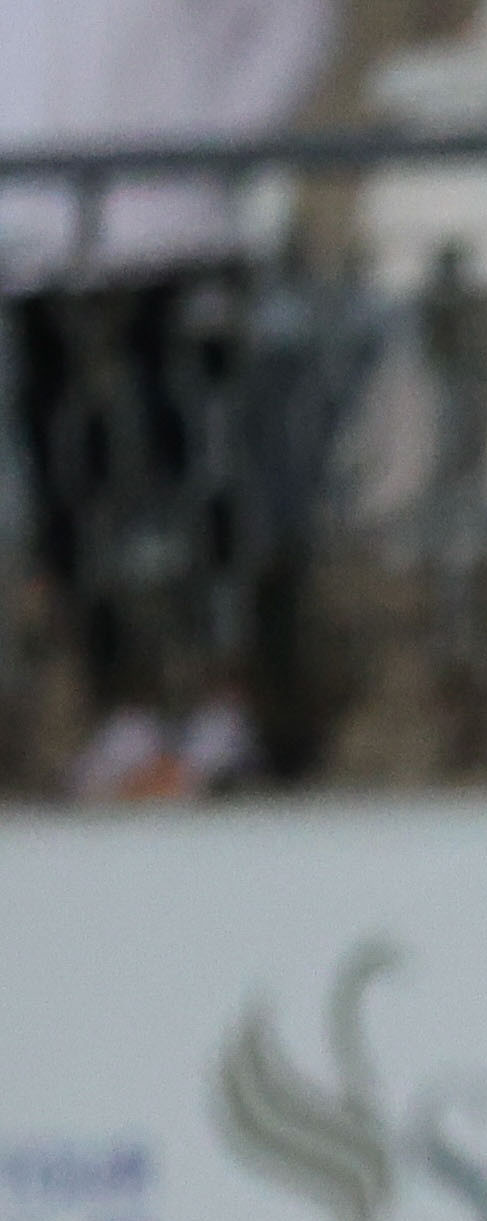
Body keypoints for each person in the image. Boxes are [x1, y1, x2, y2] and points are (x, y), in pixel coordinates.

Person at [0, 0, 341, 796]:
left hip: (173, 230)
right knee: (68, 488)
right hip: (32, 235)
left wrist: (209, 145)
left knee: (200, 471)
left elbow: (297, 23)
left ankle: (227, 704)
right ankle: (122, 710)